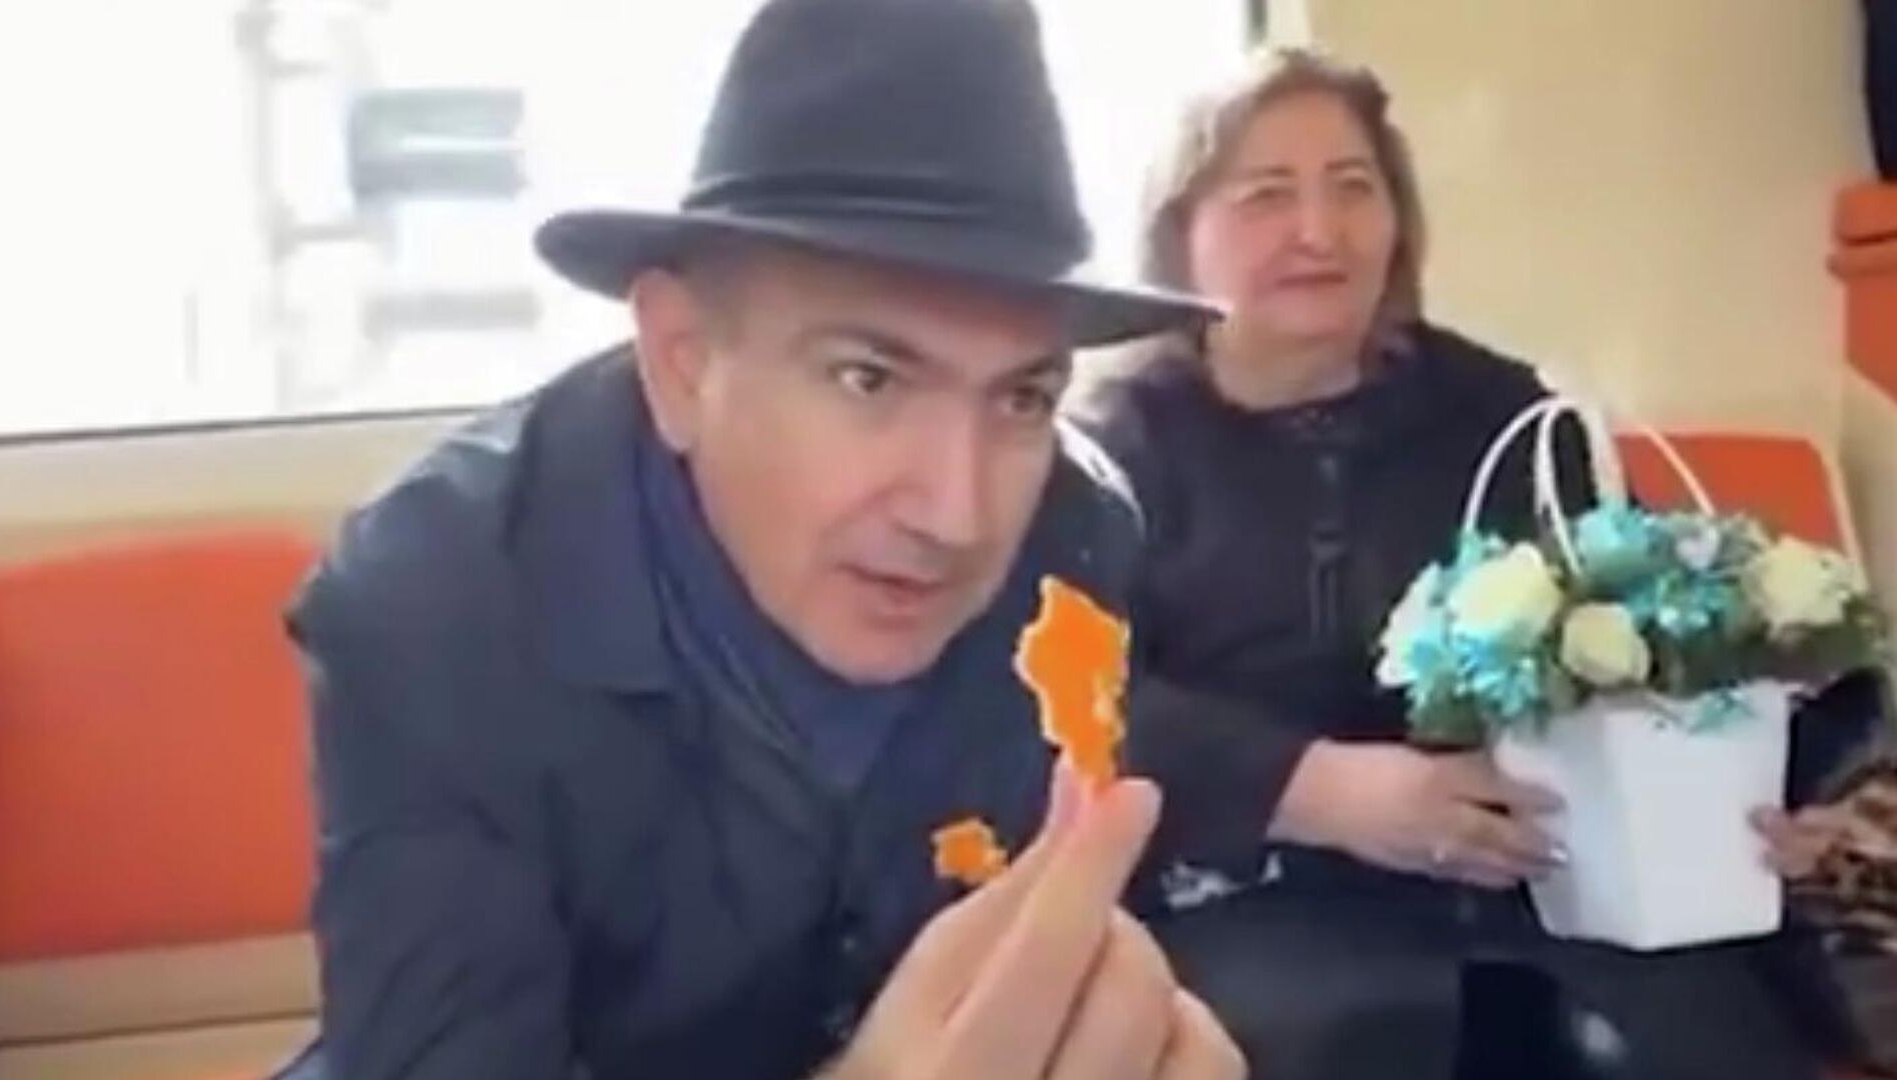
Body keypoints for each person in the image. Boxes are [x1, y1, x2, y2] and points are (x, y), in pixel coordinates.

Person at [275, 1, 1245, 1077]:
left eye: (1022, 398)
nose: (958, 517)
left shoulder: (1079, 542)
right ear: (683, 359)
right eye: (868, 378)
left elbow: (1036, 946)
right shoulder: (437, 605)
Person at [1078, 45, 1882, 1080]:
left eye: (1353, 187)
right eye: (1267, 194)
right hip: (1249, 901)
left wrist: (1774, 796)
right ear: (1179, 232)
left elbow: (1652, 644)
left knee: (1689, 1031)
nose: (1319, 230)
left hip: (1539, 888)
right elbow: (1067, 707)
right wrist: (1319, 788)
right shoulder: (1108, 447)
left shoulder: (1506, 414)